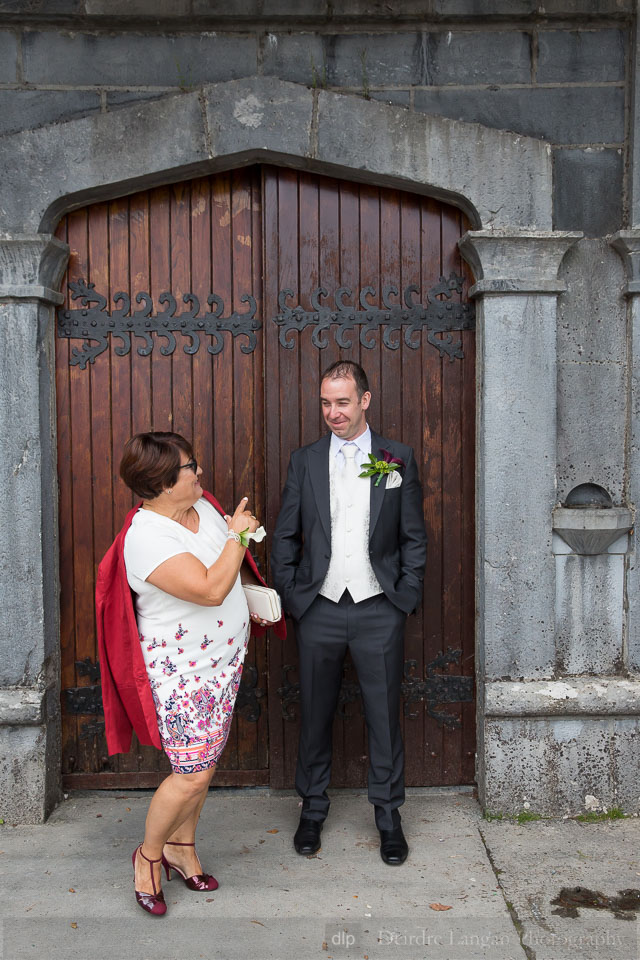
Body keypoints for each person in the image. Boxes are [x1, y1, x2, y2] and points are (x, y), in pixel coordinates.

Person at [96, 431, 284, 916]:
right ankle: (148, 856)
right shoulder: (145, 538)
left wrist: (252, 596)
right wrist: (239, 534)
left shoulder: (201, 508)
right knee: (191, 774)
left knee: (205, 765)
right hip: (183, 675)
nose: (199, 472)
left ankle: (183, 846)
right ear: (160, 484)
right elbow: (207, 588)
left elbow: (229, 570)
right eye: (189, 468)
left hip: (221, 666)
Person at [270, 361, 427, 865]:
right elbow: (286, 535)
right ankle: (312, 809)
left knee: (384, 717)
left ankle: (387, 815)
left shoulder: (394, 457)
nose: (332, 413)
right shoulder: (305, 460)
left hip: (379, 607)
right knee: (315, 712)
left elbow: (413, 536)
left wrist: (405, 593)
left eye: (342, 402)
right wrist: (295, 598)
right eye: (324, 403)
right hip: (319, 608)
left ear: (365, 400)